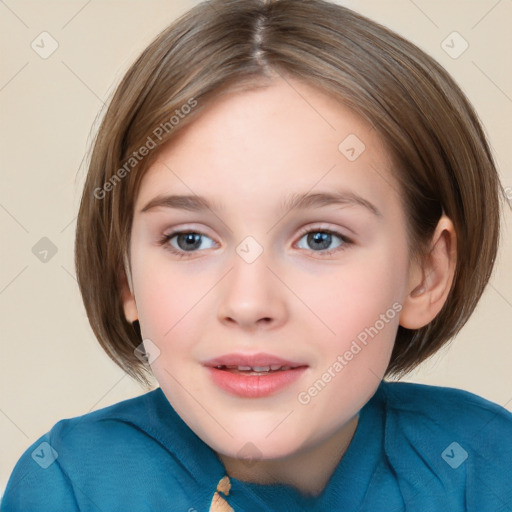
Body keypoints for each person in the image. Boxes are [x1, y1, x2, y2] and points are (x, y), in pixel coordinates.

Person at [2, 0, 511, 510]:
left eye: (320, 239)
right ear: (124, 276)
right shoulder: (68, 487)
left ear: (425, 273)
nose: (248, 304)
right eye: (189, 239)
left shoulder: (488, 468)